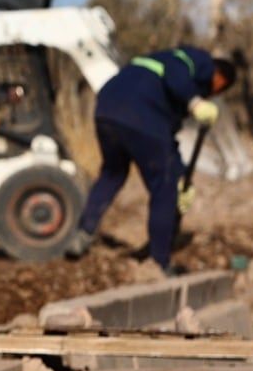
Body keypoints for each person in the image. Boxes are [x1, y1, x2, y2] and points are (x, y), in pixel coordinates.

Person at [64, 45, 237, 274]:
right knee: (164, 189)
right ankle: (159, 263)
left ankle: (82, 233)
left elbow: (166, 139)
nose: (213, 95)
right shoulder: (198, 61)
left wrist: (182, 176)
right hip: (141, 113)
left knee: (113, 173)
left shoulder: (159, 73)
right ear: (220, 79)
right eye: (218, 90)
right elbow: (176, 74)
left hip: (107, 110)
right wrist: (195, 102)